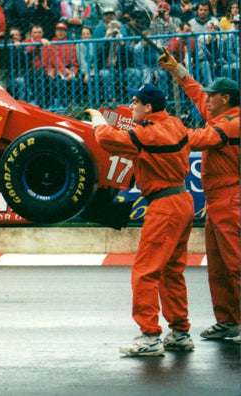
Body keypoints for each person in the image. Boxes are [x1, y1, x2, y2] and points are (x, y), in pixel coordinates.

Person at [87, 83, 194, 356]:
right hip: (183, 200)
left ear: (148, 107)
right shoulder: (175, 124)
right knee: (172, 270)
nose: (131, 105)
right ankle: (180, 333)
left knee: (145, 271)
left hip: (164, 206)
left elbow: (107, 140)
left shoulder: (149, 133)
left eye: (135, 101)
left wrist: (98, 120)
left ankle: (149, 337)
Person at [158, 54, 240, 343]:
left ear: (226, 99)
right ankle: (228, 320)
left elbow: (198, 139)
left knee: (237, 263)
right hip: (218, 201)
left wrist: (162, 130)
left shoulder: (232, 124)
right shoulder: (224, 116)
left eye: (212, 96)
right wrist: (179, 71)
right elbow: (196, 93)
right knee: (217, 266)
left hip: (231, 199)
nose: (207, 99)